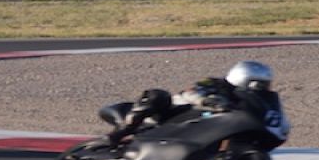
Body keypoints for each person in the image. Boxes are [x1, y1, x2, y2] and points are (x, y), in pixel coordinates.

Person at [106, 60, 275, 145]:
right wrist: (209, 101)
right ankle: (120, 133)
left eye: (264, 85)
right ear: (242, 77)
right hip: (170, 114)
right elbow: (191, 92)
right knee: (158, 96)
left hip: (196, 130)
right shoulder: (215, 83)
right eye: (259, 84)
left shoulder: (244, 101)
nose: (261, 88)